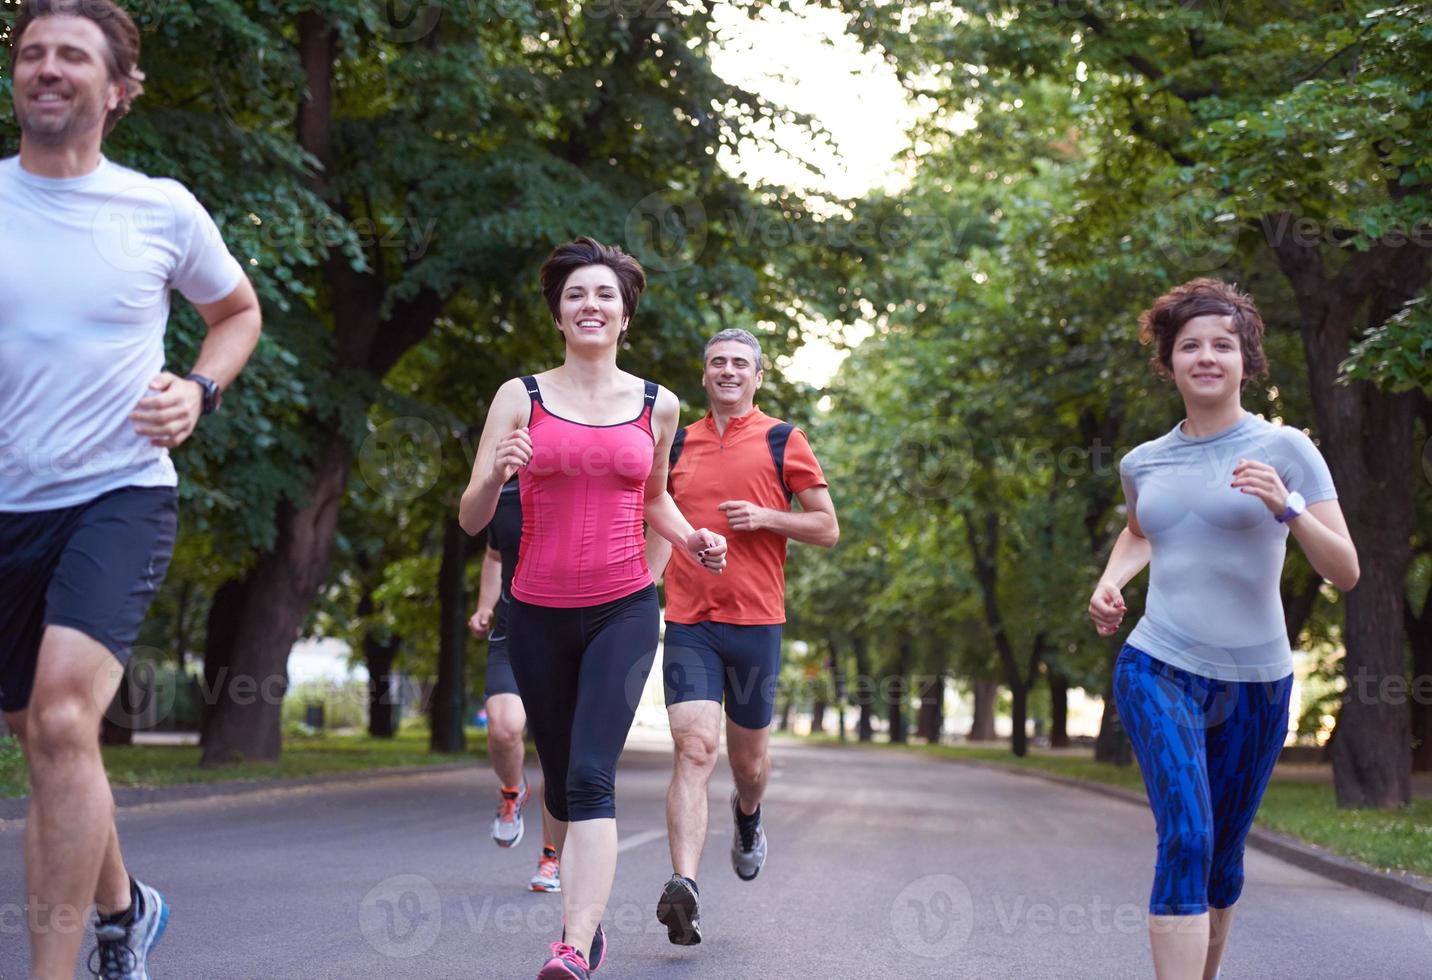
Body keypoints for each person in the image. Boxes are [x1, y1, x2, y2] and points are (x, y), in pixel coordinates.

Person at [0, 3, 263, 979]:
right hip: (5, 504)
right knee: (40, 732)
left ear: (118, 89)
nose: (47, 68)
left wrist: (198, 389)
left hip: (119, 490)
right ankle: (126, 907)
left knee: (66, 717)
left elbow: (236, 311)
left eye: (72, 54)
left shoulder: (159, 208)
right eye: (32, 54)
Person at [458, 236, 726, 980]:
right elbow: (472, 516)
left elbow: (653, 500)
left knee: (589, 776)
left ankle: (574, 943)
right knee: (562, 776)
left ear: (625, 315)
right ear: (559, 315)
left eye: (605, 295)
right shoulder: (522, 397)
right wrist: (497, 476)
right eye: (576, 294)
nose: (590, 305)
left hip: (624, 608)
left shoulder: (656, 404)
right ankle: (586, 930)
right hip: (535, 610)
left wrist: (691, 537)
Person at [1087, 278, 1358, 980]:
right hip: (1158, 666)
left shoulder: (1287, 448)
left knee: (1223, 859)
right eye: (1190, 346)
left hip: (1256, 685)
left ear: (1246, 359)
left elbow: (1347, 571)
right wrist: (1111, 581)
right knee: (1187, 834)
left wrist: (1289, 506)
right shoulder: (1143, 461)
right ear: (1169, 362)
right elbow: (1141, 532)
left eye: (1222, 345)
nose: (1206, 357)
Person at [646, 328, 838, 946]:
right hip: (690, 622)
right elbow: (655, 513)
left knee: (749, 765)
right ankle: (686, 887)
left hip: (757, 624)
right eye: (716, 363)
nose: (727, 371)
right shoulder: (677, 444)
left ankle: (748, 817)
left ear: (757, 377)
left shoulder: (784, 438)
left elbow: (826, 527)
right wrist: (642, 589)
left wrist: (765, 517)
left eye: (739, 364)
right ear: (704, 376)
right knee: (694, 748)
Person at [468, 474, 560, 893]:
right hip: (511, 631)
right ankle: (512, 791)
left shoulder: (580, 486)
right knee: (504, 728)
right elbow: (493, 555)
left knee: (559, 755)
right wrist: (485, 606)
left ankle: (551, 858)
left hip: (567, 634)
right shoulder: (502, 491)